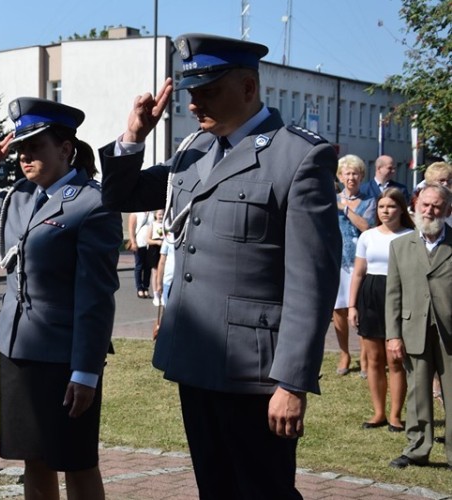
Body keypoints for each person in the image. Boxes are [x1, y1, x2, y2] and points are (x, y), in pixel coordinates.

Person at [99, 34, 341, 499]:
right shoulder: (195, 153)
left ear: (248, 88)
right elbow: (121, 196)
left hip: (254, 372)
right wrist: (134, 136)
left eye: (208, 91)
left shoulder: (299, 157)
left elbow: (311, 282)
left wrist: (291, 381)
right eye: (191, 93)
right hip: (196, 358)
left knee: (263, 490)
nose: (194, 104)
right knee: (215, 487)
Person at [0, 97, 121, 500]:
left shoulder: (92, 203)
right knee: (34, 458)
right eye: (20, 149)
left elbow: (96, 297)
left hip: (64, 357)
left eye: (35, 147)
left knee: (77, 461)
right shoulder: (19, 197)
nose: (25, 157)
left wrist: (85, 371)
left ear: (65, 149)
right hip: (18, 352)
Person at [386, 182, 452, 469]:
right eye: (425, 204)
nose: (430, 210)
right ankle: (417, 449)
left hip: (449, 331)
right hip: (415, 329)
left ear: (448, 210)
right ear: (415, 206)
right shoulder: (400, 246)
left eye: (437, 205)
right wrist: (393, 336)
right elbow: (393, 295)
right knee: (418, 392)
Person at [348, 188, 413, 432]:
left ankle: (396, 415)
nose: (386, 211)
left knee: (395, 359)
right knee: (374, 359)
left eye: (391, 206)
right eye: (381, 207)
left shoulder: (410, 236)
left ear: (401, 209)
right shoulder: (368, 236)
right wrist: (352, 305)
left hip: (399, 296)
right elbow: (358, 273)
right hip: (370, 296)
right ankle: (379, 413)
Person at [333, 153, 376, 376]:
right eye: (348, 173)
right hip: (337, 260)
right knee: (339, 309)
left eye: (356, 173)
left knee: (361, 309)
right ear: (340, 176)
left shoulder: (369, 201)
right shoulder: (332, 199)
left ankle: (365, 355)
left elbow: (367, 227)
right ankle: (344, 353)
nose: (352, 177)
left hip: (361, 262)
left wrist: (347, 209)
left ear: (362, 177)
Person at [127, 211, 154, 298]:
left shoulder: (152, 212)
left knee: (148, 267)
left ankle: (146, 288)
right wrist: (133, 242)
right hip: (139, 243)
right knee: (139, 266)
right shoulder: (135, 213)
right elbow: (131, 228)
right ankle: (139, 288)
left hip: (150, 244)